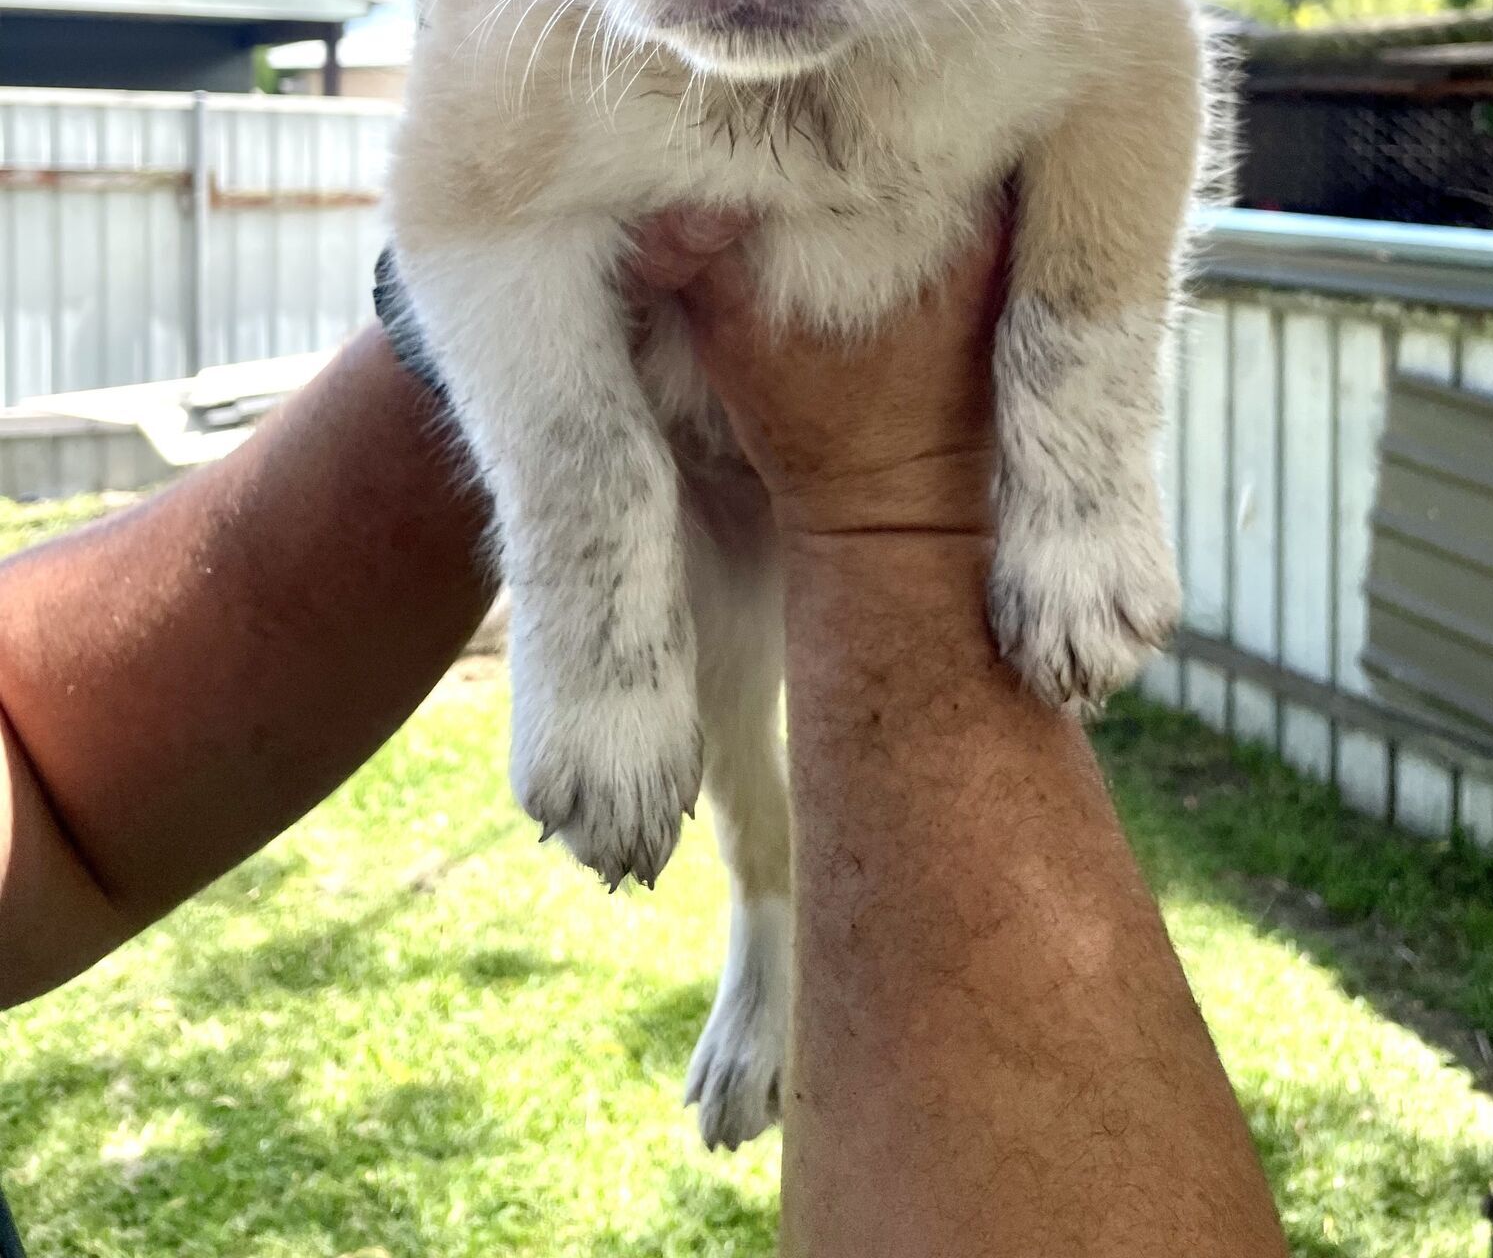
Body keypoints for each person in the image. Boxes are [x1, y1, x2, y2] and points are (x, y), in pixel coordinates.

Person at [0, 216, 1286, 1258]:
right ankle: (767, 920)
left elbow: (42, 779)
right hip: (693, 441)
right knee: (725, 703)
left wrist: (1056, 449)